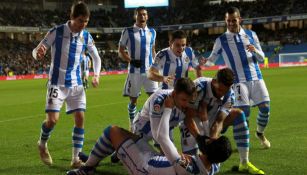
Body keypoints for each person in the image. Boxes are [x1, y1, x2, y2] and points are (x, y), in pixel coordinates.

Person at [32, 1, 101, 168]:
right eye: (80, 21)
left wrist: (96, 75)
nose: (82, 25)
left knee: (80, 118)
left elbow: (96, 57)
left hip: (77, 85)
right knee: (52, 121)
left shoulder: (86, 36)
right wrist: (38, 54)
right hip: (57, 84)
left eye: (86, 21)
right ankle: (42, 144)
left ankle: (76, 159)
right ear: (71, 17)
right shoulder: (57, 32)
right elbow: (36, 50)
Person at [205, 7, 271, 149]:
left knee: (265, 108)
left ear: (240, 19)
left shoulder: (251, 34)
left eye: (233, 20)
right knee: (244, 112)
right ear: (225, 21)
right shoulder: (221, 40)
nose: (230, 23)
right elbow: (212, 60)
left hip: (256, 77)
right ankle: (241, 144)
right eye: (228, 21)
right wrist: (205, 62)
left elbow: (261, 57)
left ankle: (259, 133)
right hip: (238, 82)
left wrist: (255, 50)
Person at [184, 68, 264, 174]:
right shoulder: (198, 87)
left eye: (225, 91)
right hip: (192, 124)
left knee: (238, 114)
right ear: (214, 82)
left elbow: (219, 121)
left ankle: (244, 162)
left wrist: (212, 139)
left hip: (211, 122)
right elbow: (187, 117)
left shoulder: (229, 95)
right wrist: (199, 138)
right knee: (190, 167)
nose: (221, 94)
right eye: (219, 90)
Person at [66, 125, 232, 175]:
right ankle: (96, 157)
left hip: (145, 167)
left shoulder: (186, 165)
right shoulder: (213, 166)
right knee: (127, 135)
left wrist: (167, 108)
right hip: (155, 159)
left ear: (209, 146)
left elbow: (163, 137)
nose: (209, 138)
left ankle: (87, 169)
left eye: (212, 140)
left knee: (112, 131)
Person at [118, 6, 158, 130]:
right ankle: (132, 124)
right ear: (135, 16)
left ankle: (154, 123)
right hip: (134, 72)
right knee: (133, 100)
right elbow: (120, 51)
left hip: (150, 72)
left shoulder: (152, 32)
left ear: (147, 16)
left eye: (144, 14)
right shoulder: (127, 31)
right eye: (140, 14)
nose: (142, 16)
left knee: (155, 99)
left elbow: (153, 50)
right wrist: (131, 60)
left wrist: (157, 65)